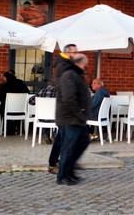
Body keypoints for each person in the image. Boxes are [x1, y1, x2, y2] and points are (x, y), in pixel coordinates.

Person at [56, 53, 91, 185]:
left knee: (82, 142)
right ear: (79, 63)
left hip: (77, 118)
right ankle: (62, 176)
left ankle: (69, 172)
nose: (85, 67)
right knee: (69, 147)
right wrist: (80, 115)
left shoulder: (76, 75)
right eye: (84, 64)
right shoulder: (69, 75)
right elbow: (69, 99)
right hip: (70, 118)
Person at [48, 43, 78, 174]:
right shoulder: (63, 66)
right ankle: (56, 164)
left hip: (65, 106)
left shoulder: (65, 65)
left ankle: (56, 162)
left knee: (62, 137)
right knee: (64, 138)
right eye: (74, 52)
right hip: (65, 107)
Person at [0, 70, 29, 135]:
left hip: (7, 110)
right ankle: (16, 127)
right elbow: (28, 94)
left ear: (6, 78)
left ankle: (4, 128)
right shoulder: (21, 84)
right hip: (21, 110)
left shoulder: (4, 86)